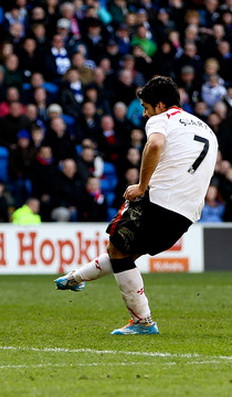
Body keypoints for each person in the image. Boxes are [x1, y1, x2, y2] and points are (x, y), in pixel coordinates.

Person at [54, 76, 218, 335]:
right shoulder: (205, 127)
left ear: (160, 105)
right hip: (186, 214)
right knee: (126, 254)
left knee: (117, 249)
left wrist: (141, 186)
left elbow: (154, 144)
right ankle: (75, 278)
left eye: (146, 107)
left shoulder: (162, 119)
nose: (144, 113)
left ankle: (143, 322)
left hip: (159, 201)